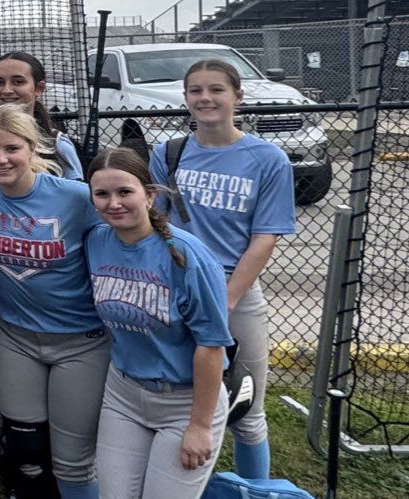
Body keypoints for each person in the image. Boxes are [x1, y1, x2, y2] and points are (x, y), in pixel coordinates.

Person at [149, 59, 295, 480]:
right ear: (186, 99)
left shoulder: (267, 159)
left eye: (216, 89)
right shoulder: (169, 153)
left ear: (238, 96)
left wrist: (225, 299)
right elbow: (157, 223)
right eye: (196, 90)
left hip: (236, 293)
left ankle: (256, 489)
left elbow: (265, 236)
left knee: (246, 409)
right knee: (181, 399)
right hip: (175, 289)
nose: (205, 98)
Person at [0, 104, 105, 499]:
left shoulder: (77, 198)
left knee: (73, 459)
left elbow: (126, 240)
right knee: (25, 452)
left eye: (12, 148)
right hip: (16, 338)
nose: (1, 159)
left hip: (80, 339)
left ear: (33, 148)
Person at [87, 147, 232, 498]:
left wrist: (199, 425)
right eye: (102, 194)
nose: (114, 203)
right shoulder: (96, 241)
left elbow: (211, 346)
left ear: (150, 195)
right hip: (123, 393)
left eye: (125, 192)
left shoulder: (187, 256)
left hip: (184, 400)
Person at [0, 52, 84, 182]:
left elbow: (77, 197)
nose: (7, 90)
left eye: (18, 82)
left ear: (39, 88)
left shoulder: (58, 145)